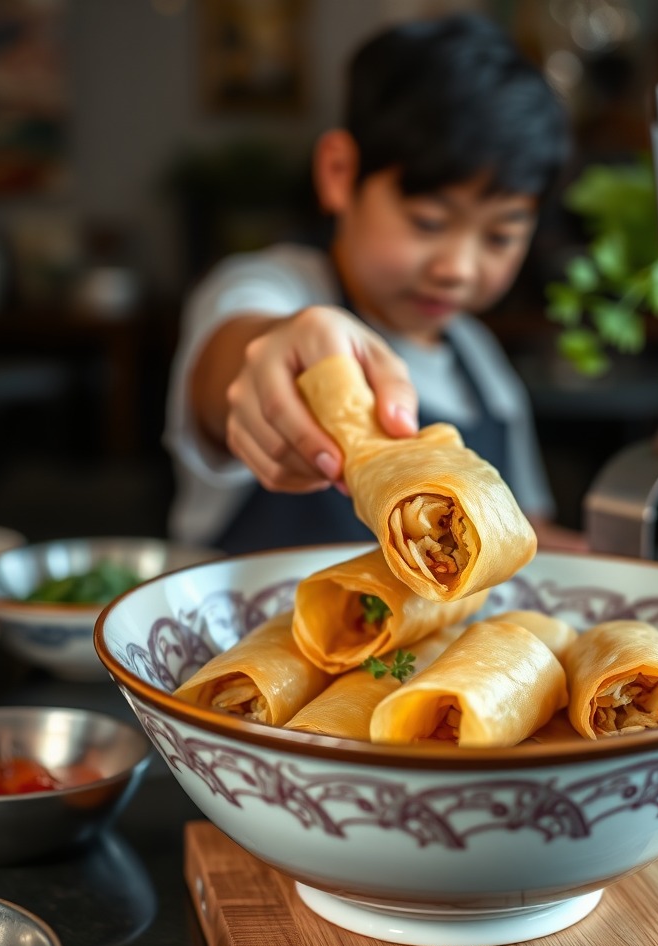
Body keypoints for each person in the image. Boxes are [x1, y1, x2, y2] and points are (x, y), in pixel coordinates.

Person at [164, 13, 585, 555]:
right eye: (428, 222)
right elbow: (234, 360)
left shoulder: (485, 370)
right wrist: (279, 356)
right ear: (340, 173)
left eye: (500, 236)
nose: (457, 267)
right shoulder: (269, 288)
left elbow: (522, 536)